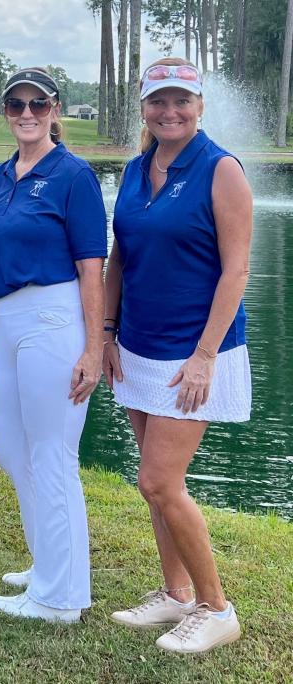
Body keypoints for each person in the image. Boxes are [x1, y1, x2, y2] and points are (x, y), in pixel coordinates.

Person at [104, 58, 251, 654]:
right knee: (155, 485)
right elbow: (120, 259)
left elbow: (236, 270)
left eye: (181, 102)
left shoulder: (222, 169)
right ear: (143, 106)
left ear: (200, 106)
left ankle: (217, 608)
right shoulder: (138, 169)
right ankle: (175, 593)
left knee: (160, 480)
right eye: (158, 102)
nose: (170, 112)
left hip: (194, 352)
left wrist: (204, 356)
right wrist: (108, 332)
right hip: (138, 346)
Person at [0, 67, 106, 623]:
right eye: (16, 104)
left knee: (52, 455)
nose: (27, 113)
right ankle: (48, 562)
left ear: (56, 110)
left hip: (54, 316)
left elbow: (92, 267)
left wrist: (95, 348)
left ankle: (60, 597)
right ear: (5, 111)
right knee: (11, 450)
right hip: (6, 321)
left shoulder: (74, 176)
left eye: (39, 104)